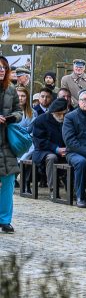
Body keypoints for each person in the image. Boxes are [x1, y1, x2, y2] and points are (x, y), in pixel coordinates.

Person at [0, 56, 22, 233]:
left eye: (4, 68)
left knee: (8, 180)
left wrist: (11, 117)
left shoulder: (11, 89)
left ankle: (4, 219)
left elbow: (19, 112)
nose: (1, 70)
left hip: (6, 140)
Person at [30, 97, 69, 190]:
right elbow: (39, 141)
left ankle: (72, 189)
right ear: (53, 112)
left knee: (77, 158)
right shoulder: (40, 120)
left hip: (66, 150)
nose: (62, 117)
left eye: (64, 114)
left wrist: (68, 149)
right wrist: (56, 149)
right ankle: (53, 189)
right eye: (59, 114)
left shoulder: (69, 119)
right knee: (52, 157)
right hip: (43, 151)